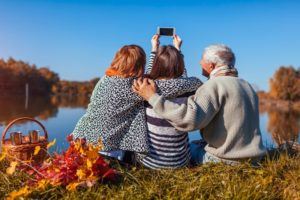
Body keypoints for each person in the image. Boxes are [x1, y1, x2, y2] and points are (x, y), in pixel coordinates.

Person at [133, 44, 267, 164]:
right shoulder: (247, 85)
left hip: (226, 160)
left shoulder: (213, 86)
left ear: (211, 65)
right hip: (255, 158)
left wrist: (152, 97)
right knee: (196, 144)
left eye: (202, 59)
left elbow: (189, 120)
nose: (199, 62)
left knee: (190, 147)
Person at [72, 44, 201, 162]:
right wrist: (196, 82)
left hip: (81, 138)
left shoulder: (107, 78)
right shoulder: (133, 86)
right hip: (102, 149)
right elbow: (173, 85)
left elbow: (149, 76)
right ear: (140, 66)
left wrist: (154, 49)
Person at [137, 34, 202, 169]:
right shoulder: (191, 85)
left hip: (150, 163)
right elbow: (181, 79)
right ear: (180, 65)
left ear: (156, 65)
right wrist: (178, 50)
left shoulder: (147, 87)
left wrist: (154, 49)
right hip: (180, 162)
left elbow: (149, 73)